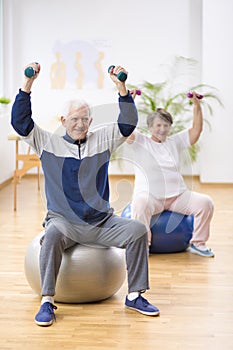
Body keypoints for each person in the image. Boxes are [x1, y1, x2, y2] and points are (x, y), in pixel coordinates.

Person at [11, 63, 160, 327]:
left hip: (101, 223)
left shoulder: (102, 140)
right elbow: (20, 122)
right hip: (64, 223)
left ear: (91, 122)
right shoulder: (48, 143)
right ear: (63, 121)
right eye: (74, 119)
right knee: (53, 234)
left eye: (84, 120)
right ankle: (47, 300)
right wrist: (28, 84)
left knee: (137, 230)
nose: (79, 124)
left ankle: (135, 295)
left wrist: (121, 88)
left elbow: (127, 124)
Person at [127, 91, 215, 257]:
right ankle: (142, 247)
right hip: (150, 196)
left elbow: (196, 130)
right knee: (139, 205)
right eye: (158, 125)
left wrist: (197, 105)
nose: (162, 129)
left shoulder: (174, 141)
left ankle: (198, 243)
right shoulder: (140, 141)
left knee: (206, 203)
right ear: (150, 127)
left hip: (177, 196)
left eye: (166, 125)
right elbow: (126, 128)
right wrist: (129, 103)